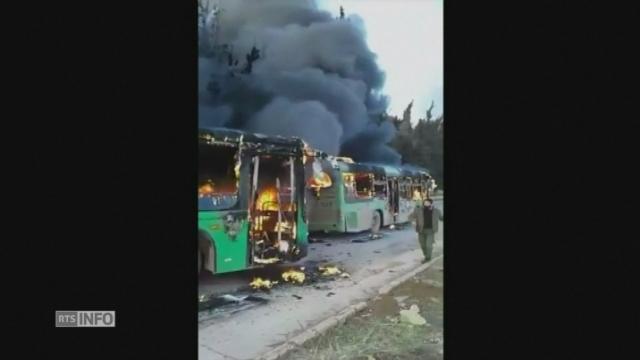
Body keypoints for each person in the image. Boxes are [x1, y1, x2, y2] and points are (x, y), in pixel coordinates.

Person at [412, 197, 443, 262]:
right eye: (425, 203)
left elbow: (441, 218)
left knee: (428, 245)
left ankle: (428, 258)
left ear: (431, 204)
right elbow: (411, 216)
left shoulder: (436, 211)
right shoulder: (418, 210)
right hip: (421, 230)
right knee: (423, 245)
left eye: (427, 203)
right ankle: (426, 255)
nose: (426, 204)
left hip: (430, 231)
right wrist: (413, 221)